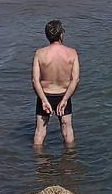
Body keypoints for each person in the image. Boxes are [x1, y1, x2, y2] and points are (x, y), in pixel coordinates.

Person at [32, 19, 79, 147]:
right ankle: (70, 160)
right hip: (64, 94)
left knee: (40, 131)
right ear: (61, 35)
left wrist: (43, 100)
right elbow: (75, 80)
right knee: (67, 131)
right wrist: (64, 100)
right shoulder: (72, 53)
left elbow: (35, 80)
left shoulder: (40, 53)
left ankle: (39, 164)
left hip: (45, 95)